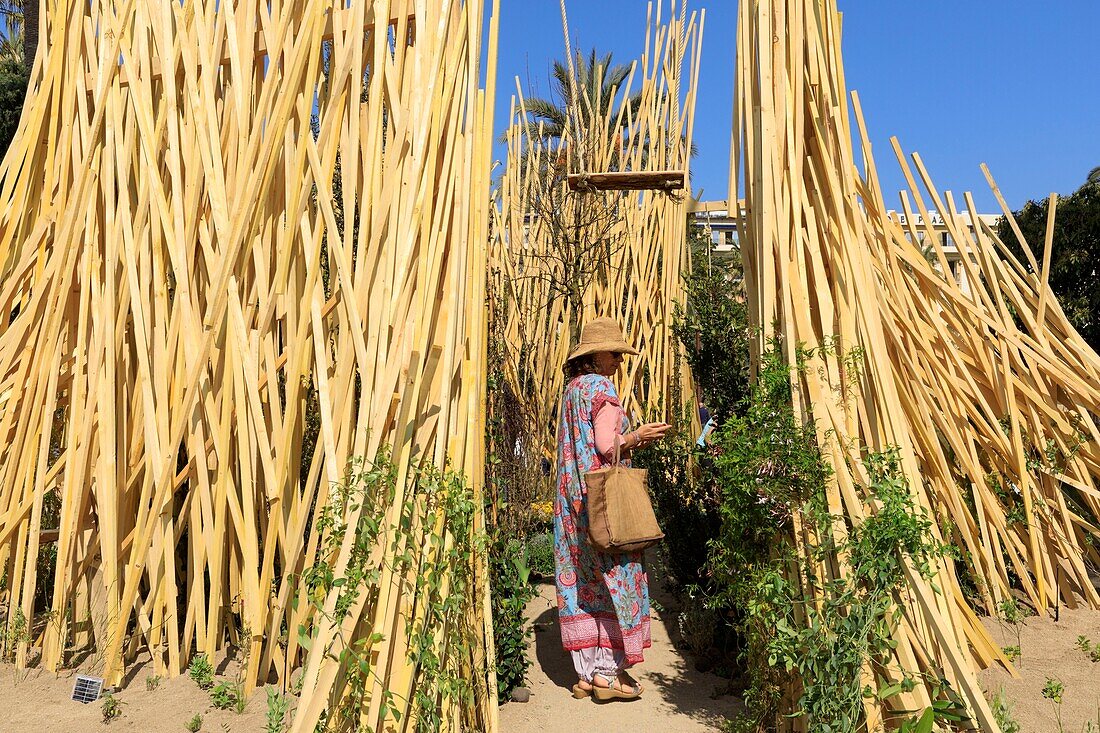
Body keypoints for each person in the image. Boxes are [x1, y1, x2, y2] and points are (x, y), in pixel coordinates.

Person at [552, 317, 671, 702]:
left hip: (571, 504)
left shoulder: (571, 390)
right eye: (615, 353)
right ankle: (607, 674)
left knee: (583, 586)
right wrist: (638, 436)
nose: (619, 360)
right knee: (616, 578)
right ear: (597, 355)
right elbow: (607, 444)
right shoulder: (601, 388)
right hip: (602, 504)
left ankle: (586, 674)